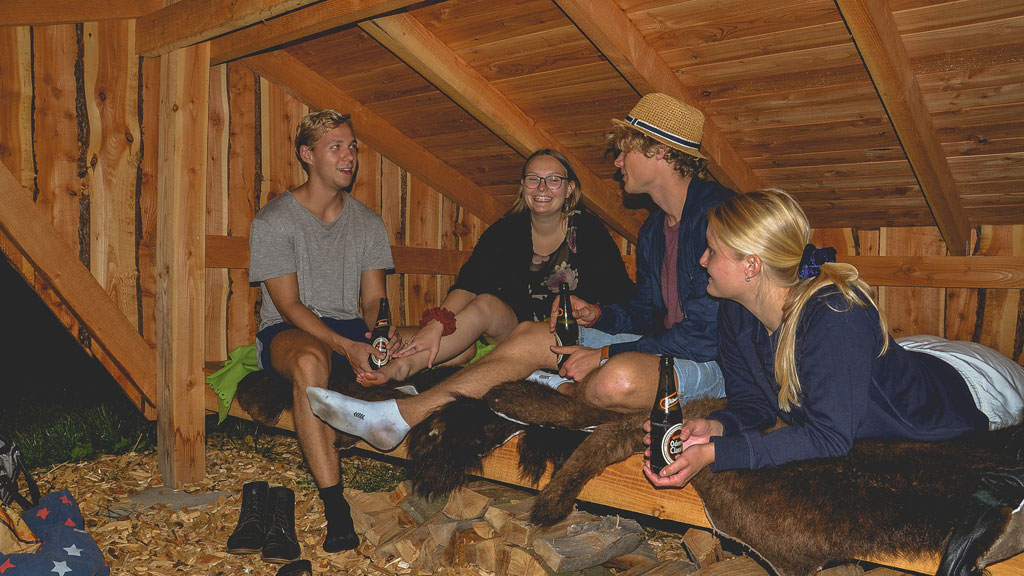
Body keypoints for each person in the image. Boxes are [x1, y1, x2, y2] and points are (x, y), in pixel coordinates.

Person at [306, 93, 735, 451]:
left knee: (614, 382)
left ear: (659, 152)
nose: (618, 162)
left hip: (713, 361)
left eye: (625, 150)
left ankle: (552, 384)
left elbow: (703, 336)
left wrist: (606, 353)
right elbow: (645, 311)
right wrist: (599, 318)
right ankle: (399, 416)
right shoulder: (654, 230)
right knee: (532, 333)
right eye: (534, 180)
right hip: (661, 345)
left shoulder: (719, 217)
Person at [643, 189, 1024, 489]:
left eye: (712, 250)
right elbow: (752, 402)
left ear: (752, 266)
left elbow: (829, 438)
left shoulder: (836, 314)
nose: (702, 261)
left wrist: (718, 454)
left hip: (975, 386)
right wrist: (716, 426)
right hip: (908, 357)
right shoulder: (736, 311)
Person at [356, 149, 634, 387]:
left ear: (570, 188)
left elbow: (620, 298)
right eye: (533, 179)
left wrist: (593, 314)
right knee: (485, 303)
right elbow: (469, 284)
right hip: (516, 330)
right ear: (523, 186)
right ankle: (401, 369)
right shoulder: (507, 230)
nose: (542, 188)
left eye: (553, 180)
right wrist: (436, 324)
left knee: (457, 349)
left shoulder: (587, 232)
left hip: (572, 339)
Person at [247, 109, 397, 553]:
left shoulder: (367, 222)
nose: (349, 156)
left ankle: (400, 403)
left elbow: (372, 302)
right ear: (307, 155)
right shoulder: (274, 221)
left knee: (429, 337)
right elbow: (288, 305)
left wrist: (381, 336)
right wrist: (346, 347)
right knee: (312, 361)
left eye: (352, 147)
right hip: (289, 330)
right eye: (336, 147)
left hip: (349, 327)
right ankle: (336, 506)